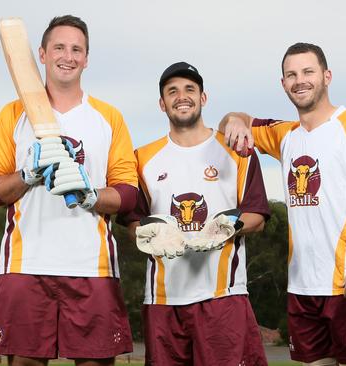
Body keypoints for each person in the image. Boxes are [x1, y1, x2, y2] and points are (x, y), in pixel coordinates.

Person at [220, 43, 346, 366]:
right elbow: (234, 119)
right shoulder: (285, 135)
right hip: (303, 287)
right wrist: (237, 122)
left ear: (326, 76)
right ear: (283, 83)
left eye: (308, 72)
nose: (300, 80)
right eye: (291, 74)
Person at [0, 15, 137, 366]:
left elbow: (128, 193)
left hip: (91, 267)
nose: (67, 56)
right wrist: (28, 174)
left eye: (76, 49)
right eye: (59, 48)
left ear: (86, 58)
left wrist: (91, 195)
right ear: (42, 53)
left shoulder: (108, 117)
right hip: (26, 264)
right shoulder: (13, 115)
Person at [117, 62, 270, 365]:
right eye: (172, 91)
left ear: (203, 97)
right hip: (163, 300)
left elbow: (258, 216)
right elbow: (132, 223)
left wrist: (225, 227)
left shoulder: (236, 151)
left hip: (223, 296)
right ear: (162, 103)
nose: (181, 96)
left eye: (189, 89)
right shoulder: (142, 158)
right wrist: (154, 232)